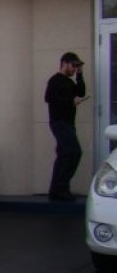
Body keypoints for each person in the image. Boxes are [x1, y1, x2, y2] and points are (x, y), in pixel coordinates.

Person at [43, 51, 87, 201]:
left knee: (64, 156)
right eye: (74, 66)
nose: (75, 69)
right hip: (59, 122)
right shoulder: (55, 80)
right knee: (73, 152)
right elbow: (49, 98)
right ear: (64, 64)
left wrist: (80, 74)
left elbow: (81, 92)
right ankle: (60, 188)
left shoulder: (70, 82)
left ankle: (57, 190)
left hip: (68, 123)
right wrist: (70, 102)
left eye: (77, 67)